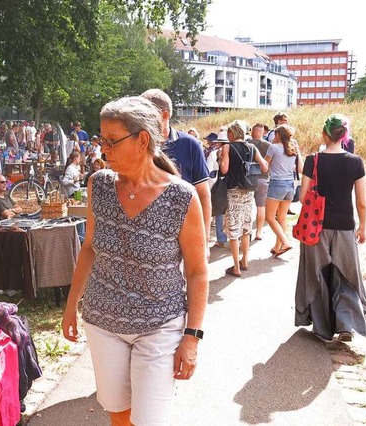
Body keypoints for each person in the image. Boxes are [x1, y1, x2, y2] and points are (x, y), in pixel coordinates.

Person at [62, 96, 208, 426]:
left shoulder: (181, 197)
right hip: (104, 322)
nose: (103, 150)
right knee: (120, 415)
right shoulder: (98, 185)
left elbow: (198, 272)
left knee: (149, 421)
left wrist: (192, 337)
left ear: (142, 140)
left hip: (160, 325)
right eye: (101, 140)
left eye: (112, 141)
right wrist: (71, 305)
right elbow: (89, 248)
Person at [295, 113, 366, 343]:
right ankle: (347, 324)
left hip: (316, 227)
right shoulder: (355, 162)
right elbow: (362, 201)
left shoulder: (312, 159)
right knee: (345, 274)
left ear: (324, 134)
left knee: (318, 274)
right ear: (345, 136)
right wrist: (362, 227)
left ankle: (322, 329)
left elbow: (302, 197)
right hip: (345, 225)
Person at [141, 89, 212, 255]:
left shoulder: (190, 145)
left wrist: (205, 240)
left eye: (147, 115)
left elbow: (203, 193)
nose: (142, 120)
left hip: (183, 232)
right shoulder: (139, 144)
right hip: (145, 232)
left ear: (165, 115)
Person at [219, 121, 268, 277]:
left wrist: (221, 159)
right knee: (246, 228)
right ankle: (245, 260)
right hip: (248, 191)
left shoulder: (227, 147)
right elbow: (265, 166)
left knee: (234, 230)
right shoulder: (251, 147)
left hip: (233, 191)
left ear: (232, 133)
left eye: (228, 134)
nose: (227, 136)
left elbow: (224, 169)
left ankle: (236, 267)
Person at [264, 125, 302, 256]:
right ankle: (277, 247)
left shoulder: (273, 148)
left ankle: (285, 242)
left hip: (277, 183)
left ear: (278, 135)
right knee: (282, 217)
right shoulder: (292, 149)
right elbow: (299, 167)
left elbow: (265, 166)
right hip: (290, 185)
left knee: (269, 217)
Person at [248, 123, 271, 241]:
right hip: (263, 178)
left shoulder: (248, 144)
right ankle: (259, 232)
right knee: (261, 206)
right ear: (263, 132)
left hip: (248, 179)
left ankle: (245, 232)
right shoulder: (268, 145)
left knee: (247, 206)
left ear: (253, 131)